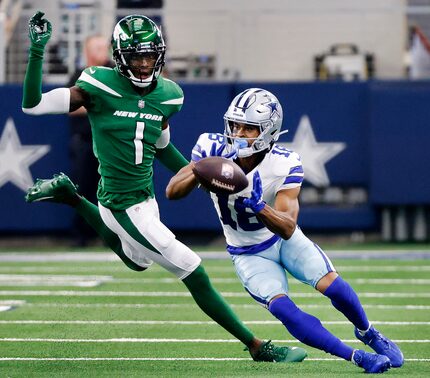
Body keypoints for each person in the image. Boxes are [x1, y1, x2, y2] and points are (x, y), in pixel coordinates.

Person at [21, 12, 307, 363]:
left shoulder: (169, 94)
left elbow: (160, 146)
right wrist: (37, 51)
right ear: (119, 57)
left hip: (144, 197)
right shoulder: (97, 85)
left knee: (137, 262)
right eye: (136, 57)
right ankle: (257, 345)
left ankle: (72, 197)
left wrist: (199, 175)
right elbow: (32, 105)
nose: (144, 65)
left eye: (149, 56)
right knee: (193, 269)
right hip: (120, 202)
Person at [165, 88, 405, 374]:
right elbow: (172, 192)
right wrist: (201, 169)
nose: (238, 133)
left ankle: (367, 331)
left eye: (249, 128)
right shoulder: (211, 147)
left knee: (333, 285)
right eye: (235, 125)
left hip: (279, 240)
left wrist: (259, 207)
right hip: (246, 252)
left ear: (268, 131)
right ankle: (356, 357)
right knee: (282, 308)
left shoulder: (284, 162)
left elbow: (288, 228)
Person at [67, 35, 113, 246]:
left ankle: (111, 235)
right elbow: (70, 106)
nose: (103, 52)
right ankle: (81, 235)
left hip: (111, 143)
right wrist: (99, 105)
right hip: (86, 141)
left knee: (112, 190)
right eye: (98, 48)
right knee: (83, 188)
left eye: (104, 47)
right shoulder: (80, 75)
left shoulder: (114, 73)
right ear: (87, 51)